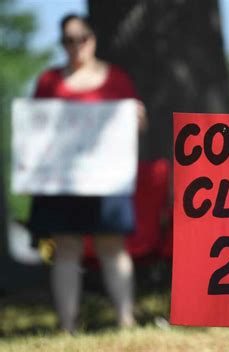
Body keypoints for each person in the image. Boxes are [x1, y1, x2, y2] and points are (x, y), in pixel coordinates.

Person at [30, 14, 146, 332]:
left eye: (82, 37)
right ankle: (67, 325)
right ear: (62, 43)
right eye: (68, 39)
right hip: (62, 181)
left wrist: (136, 119)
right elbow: (35, 131)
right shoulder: (48, 81)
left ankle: (126, 320)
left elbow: (132, 128)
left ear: (93, 39)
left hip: (108, 180)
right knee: (66, 247)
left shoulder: (117, 78)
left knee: (112, 246)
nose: (76, 45)